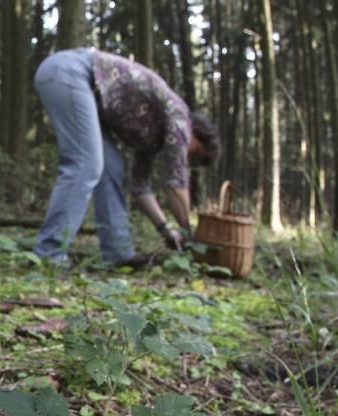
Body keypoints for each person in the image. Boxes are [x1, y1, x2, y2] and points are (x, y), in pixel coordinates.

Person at [32, 47, 219, 267]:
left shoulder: (153, 135)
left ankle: (117, 252)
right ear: (196, 132)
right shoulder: (181, 119)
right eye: (195, 152)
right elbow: (176, 185)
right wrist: (190, 235)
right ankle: (49, 253)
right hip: (70, 71)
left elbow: (140, 188)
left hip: (73, 80)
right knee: (86, 163)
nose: (188, 157)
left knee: (111, 167)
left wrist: (164, 228)